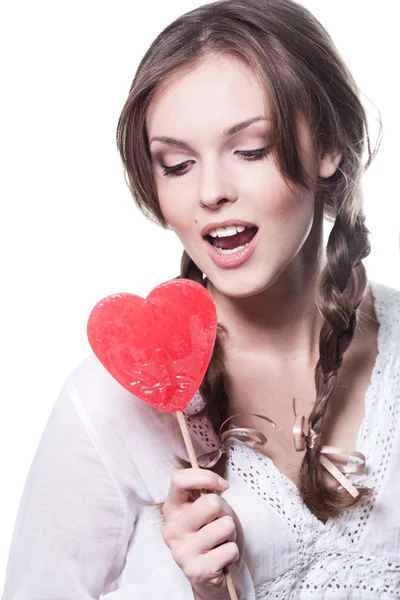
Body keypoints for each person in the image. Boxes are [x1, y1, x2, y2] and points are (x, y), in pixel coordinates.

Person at [3, 0, 399, 598]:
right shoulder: (107, 402)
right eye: (178, 164)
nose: (211, 192)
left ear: (330, 147)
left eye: (251, 150)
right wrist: (202, 590)